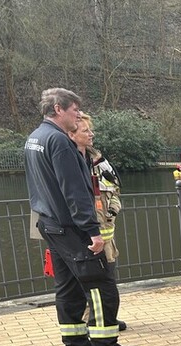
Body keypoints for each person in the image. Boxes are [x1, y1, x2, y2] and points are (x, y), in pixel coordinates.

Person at [24, 88, 138, 346]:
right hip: (72, 228)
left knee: (67, 287)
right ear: (59, 110)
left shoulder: (34, 139)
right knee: (101, 286)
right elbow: (74, 191)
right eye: (74, 109)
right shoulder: (59, 142)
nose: (78, 115)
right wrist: (92, 231)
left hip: (50, 224)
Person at [68, 112, 127, 331]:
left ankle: (107, 317)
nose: (91, 134)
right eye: (86, 131)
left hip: (106, 234)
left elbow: (115, 189)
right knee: (87, 281)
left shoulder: (98, 162)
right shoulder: (68, 161)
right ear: (71, 134)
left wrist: (113, 209)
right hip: (83, 235)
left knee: (108, 278)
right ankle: (89, 321)